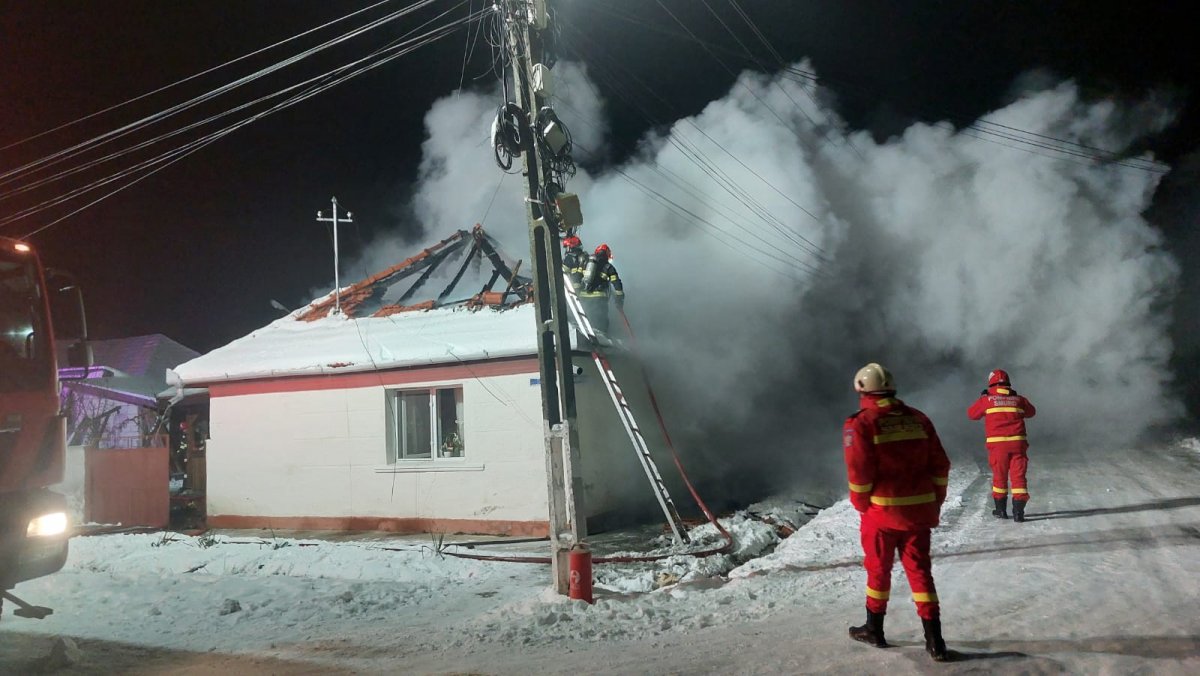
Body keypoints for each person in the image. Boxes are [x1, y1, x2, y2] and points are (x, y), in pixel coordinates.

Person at [844, 362, 951, 662]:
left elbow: (859, 471)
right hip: (918, 514)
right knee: (920, 573)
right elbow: (941, 465)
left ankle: (874, 630)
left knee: (878, 570)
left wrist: (861, 503)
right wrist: (934, 500)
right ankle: (935, 641)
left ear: (862, 390)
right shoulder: (918, 419)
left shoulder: (861, 423)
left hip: (881, 514)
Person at [967, 369, 1037, 522]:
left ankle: (1001, 510)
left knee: (1000, 477)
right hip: (1018, 444)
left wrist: (983, 398)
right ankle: (1019, 513)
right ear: (1008, 383)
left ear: (991, 383)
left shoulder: (987, 400)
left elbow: (971, 414)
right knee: (1018, 478)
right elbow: (1032, 412)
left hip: (998, 446)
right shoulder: (1019, 399)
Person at [578, 243, 624, 336]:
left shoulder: (585, 263)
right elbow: (617, 284)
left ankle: (586, 342)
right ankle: (601, 345)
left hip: (583, 297)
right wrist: (619, 299)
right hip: (599, 299)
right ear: (607, 255)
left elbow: (577, 278)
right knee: (601, 323)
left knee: (585, 321)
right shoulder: (608, 267)